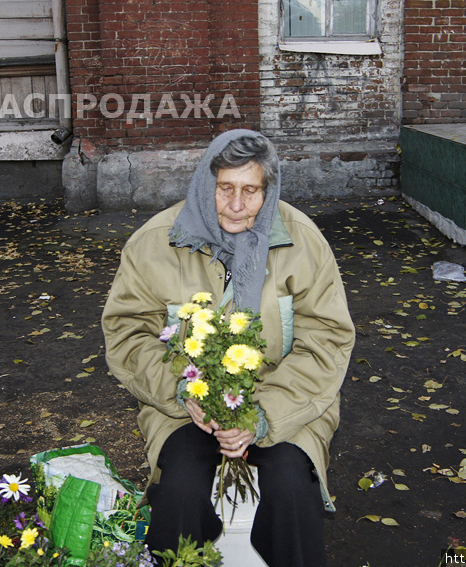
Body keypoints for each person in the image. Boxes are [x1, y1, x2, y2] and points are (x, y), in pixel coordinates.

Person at [101, 129, 355, 567]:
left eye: (251, 191)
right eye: (225, 189)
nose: (237, 205)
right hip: (182, 405)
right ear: (206, 184)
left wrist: (262, 416)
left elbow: (327, 340)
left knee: (292, 487)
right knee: (179, 490)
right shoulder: (156, 242)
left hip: (285, 402)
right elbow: (126, 333)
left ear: (268, 189)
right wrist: (183, 392)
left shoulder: (302, 241)